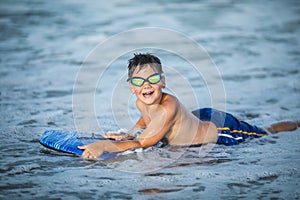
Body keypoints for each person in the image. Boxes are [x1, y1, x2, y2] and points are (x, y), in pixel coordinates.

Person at [78, 53, 299, 158]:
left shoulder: (169, 106)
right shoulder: (141, 101)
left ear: (163, 82)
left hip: (219, 130)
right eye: (139, 82)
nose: (146, 86)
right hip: (196, 117)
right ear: (131, 87)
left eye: (153, 79)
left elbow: (145, 142)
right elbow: (145, 120)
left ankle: (295, 123)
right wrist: (129, 133)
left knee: (265, 132)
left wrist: (105, 146)